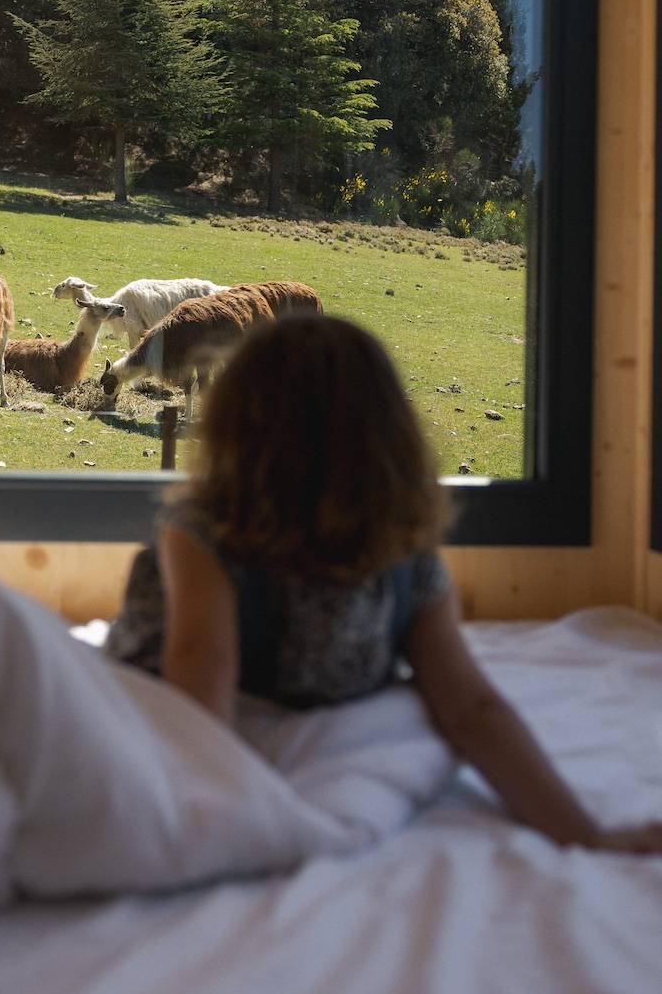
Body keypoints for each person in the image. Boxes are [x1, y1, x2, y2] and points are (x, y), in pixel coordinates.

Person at [104, 313, 662, 854]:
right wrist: (237, 824)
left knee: (418, 712)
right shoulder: (205, 538)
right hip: (179, 694)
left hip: (282, 698)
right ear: (390, 436)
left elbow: (472, 708)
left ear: (234, 429)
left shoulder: (398, 553)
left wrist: (584, 834)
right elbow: (199, 692)